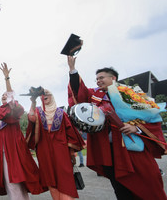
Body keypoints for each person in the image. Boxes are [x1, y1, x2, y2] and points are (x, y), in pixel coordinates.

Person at [67, 55, 167, 200]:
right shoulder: (96, 96)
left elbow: (152, 116)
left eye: (101, 77)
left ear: (113, 78)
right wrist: (72, 70)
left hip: (132, 148)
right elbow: (79, 93)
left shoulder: (130, 93)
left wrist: (136, 127)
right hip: (109, 150)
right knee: (120, 189)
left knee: (148, 182)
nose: (98, 81)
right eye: (97, 79)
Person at [0, 63, 43, 200]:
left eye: (6, 95)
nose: (4, 96)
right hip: (3, 151)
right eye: (2, 96)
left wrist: (7, 79)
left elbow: (10, 100)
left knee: (15, 179)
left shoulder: (13, 110)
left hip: (14, 149)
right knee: (11, 181)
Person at [26, 88, 85, 200]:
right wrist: (33, 102)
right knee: (49, 177)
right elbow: (31, 118)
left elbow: (70, 133)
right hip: (44, 149)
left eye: (48, 93)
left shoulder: (61, 113)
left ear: (52, 96)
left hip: (61, 149)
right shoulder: (38, 111)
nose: (45, 95)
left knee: (65, 177)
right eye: (43, 94)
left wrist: (71, 152)